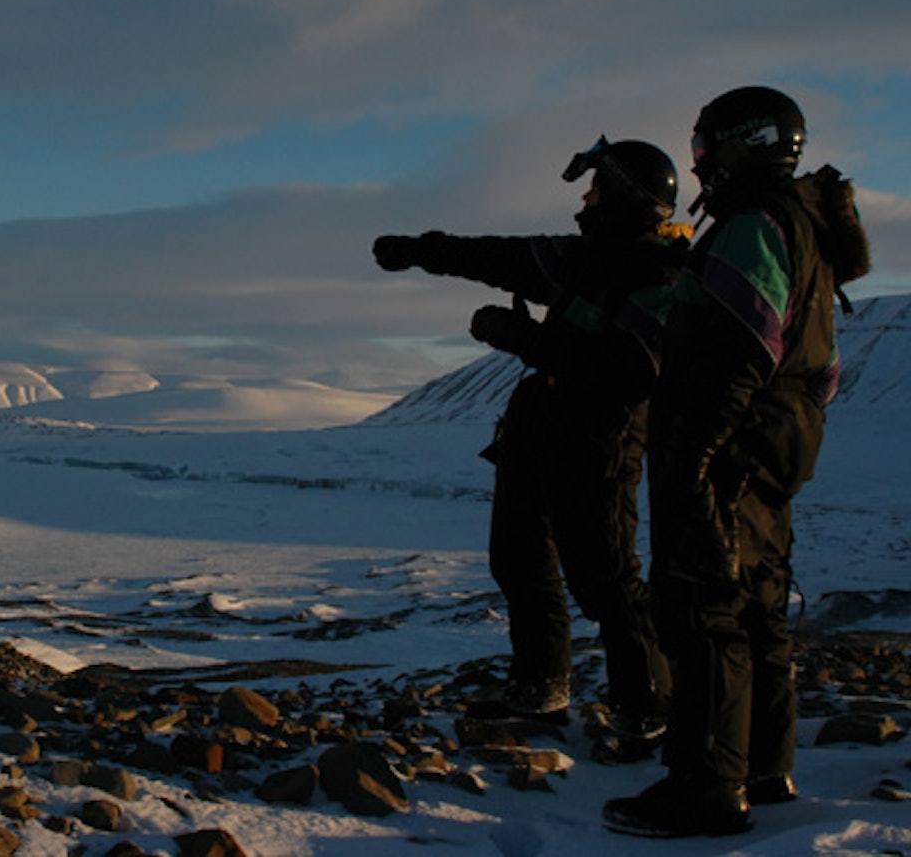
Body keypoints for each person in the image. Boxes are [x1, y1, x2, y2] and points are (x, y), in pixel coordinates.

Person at [604, 86, 868, 837]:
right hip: (778, 444)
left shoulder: (755, 225)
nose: (699, 164)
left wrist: (695, 449)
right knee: (757, 609)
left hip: (727, 446)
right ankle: (762, 766)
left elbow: (734, 351)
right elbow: (817, 364)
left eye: (705, 147)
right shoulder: (806, 225)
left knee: (702, 606)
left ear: (743, 143)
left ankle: (705, 786)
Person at [372, 137, 686, 748]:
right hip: (539, 424)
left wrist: (525, 339)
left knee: (604, 576)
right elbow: (501, 257)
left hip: (600, 438)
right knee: (518, 559)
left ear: (622, 194)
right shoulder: (584, 255)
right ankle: (541, 687)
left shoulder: (659, 275)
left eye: (595, 187)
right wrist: (421, 251)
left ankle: (646, 706)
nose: (585, 198)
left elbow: (629, 372)